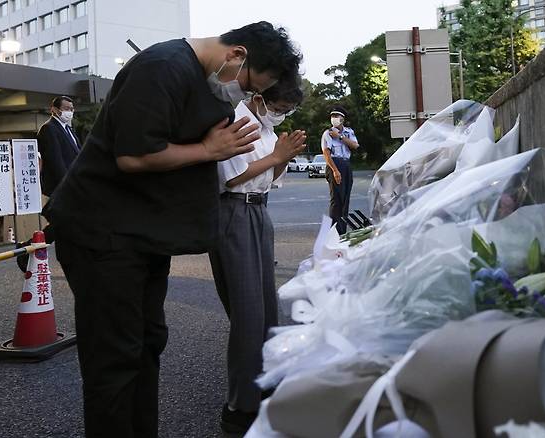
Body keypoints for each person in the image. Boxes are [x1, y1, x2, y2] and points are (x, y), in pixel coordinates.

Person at [42, 22, 302, 438]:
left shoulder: (209, 84)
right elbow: (132, 156)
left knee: (147, 344)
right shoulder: (162, 66)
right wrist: (208, 150)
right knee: (116, 357)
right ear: (237, 55)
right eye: (252, 86)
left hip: (143, 233)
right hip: (101, 230)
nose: (248, 98)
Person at [208, 75, 305, 434]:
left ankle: (265, 383)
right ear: (261, 98)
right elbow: (232, 178)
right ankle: (239, 406)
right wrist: (278, 156)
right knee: (248, 313)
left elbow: (270, 177)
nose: (281, 115)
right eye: (279, 108)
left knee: (266, 307)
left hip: (258, 209)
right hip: (233, 210)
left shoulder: (264, 126)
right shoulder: (234, 119)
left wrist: (283, 158)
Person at [16, 96, 81, 271]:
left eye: (72, 108)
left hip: (73, 185)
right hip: (62, 186)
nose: (70, 112)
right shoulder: (49, 129)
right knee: (67, 221)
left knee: (65, 222)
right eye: (66, 108)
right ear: (54, 109)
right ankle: (29, 248)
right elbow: (55, 161)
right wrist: (67, 187)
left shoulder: (69, 130)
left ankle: (28, 248)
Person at [321, 106, 359, 234]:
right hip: (334, 164)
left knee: (345, 199)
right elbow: (326, 153)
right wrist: (335, 171)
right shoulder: (328, 133)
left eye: (337, 116)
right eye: (332, 116)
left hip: (346, 164)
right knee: (337, 200)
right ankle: (334, 231)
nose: (334, 118)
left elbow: (355, 145)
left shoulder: (349, 132)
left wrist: (341, 137)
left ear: (343, 119)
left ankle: (342, 231)